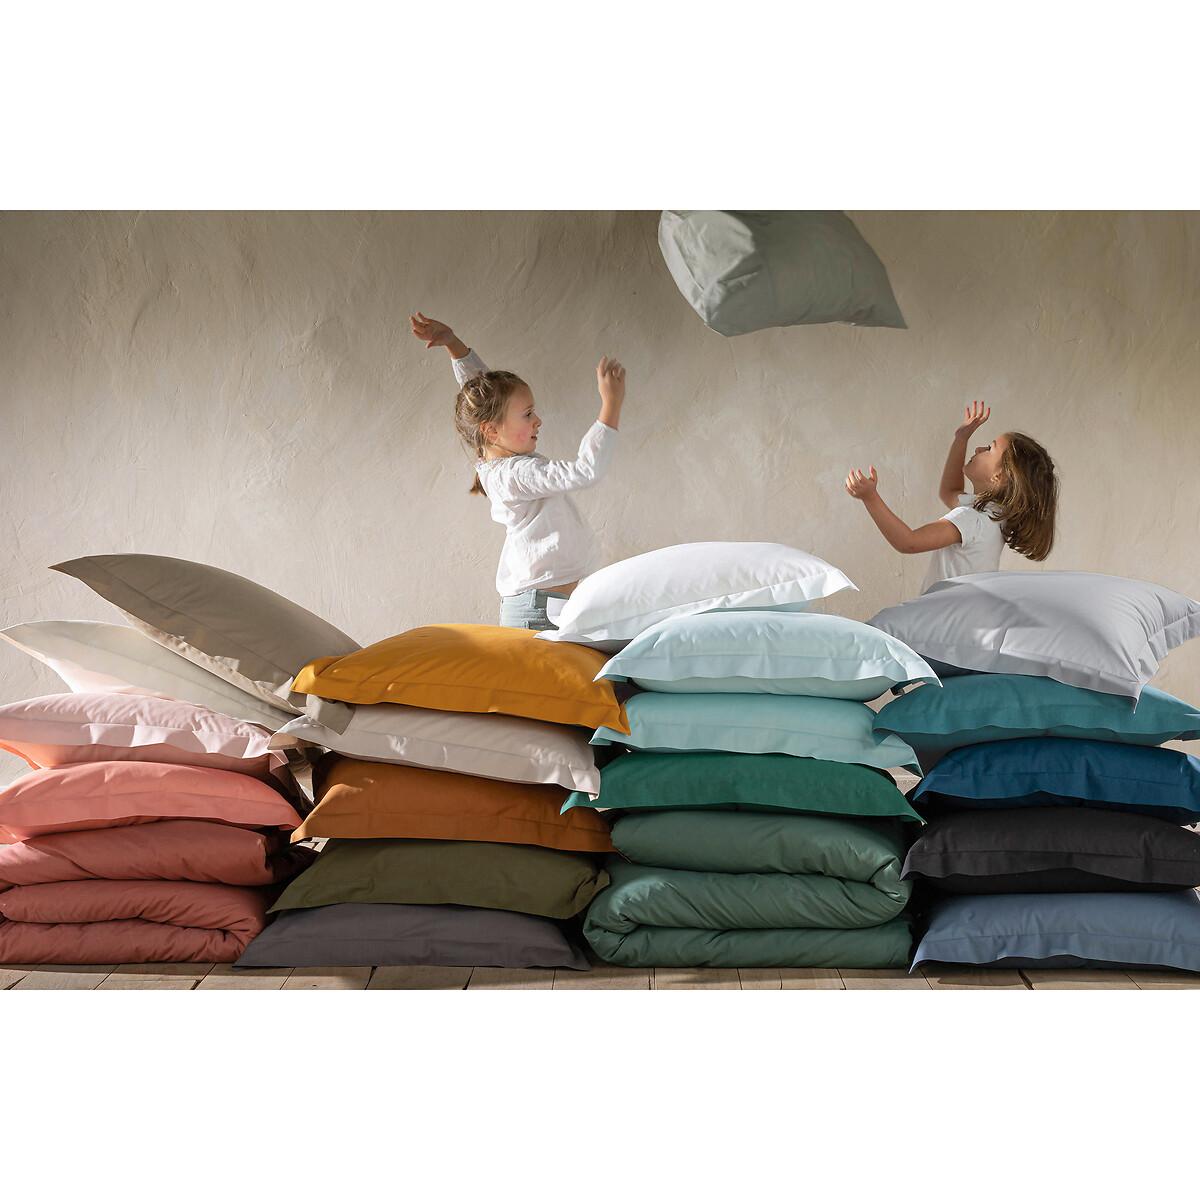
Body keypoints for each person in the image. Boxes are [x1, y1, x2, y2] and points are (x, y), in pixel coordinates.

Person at [410, 311, 625, 630]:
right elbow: (584, 471)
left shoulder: (495, 454)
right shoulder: (516, 474)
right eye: (527, 414)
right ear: (492, 430)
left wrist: (454, 345)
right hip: (536, 613)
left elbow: (483, 393)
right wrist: (611, 406)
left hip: (546, 606)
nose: (538, 420)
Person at [845, 401, 1059, 593]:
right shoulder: (995, 516)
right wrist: (961, 439)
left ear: (999, 476)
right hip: (963, 614)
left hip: (939, 616)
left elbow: (908, 542)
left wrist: (870, 497)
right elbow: (949, 491)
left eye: (989, 448)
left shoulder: (972, 519)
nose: (979, 448)